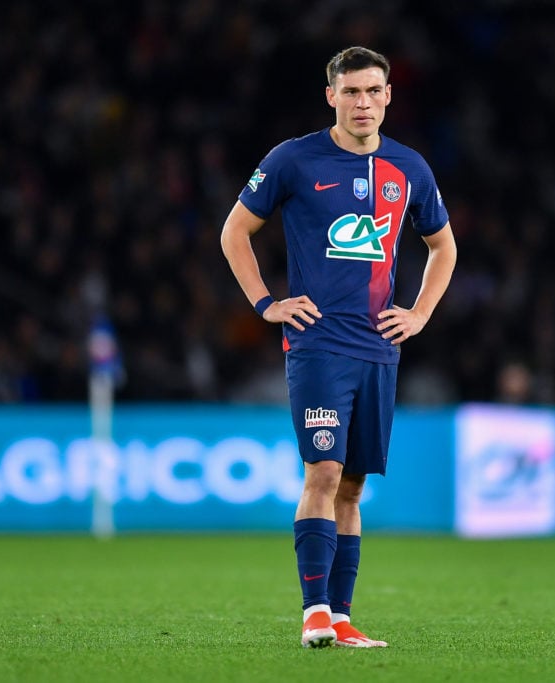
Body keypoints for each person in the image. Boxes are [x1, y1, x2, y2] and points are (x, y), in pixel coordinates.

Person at [220, 46, 457, 649]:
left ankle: (343, 619)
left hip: (379, 349)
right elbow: (235, 232)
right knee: (322, 471)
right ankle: (314, 613)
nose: (363, 102)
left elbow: (443, 246)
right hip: (318, 344)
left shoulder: (409, 168)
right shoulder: (293, 159)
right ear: (331, 96)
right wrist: (267, 304)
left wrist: (421, 312)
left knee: (353, 485)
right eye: (351, 91)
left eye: (374, 91)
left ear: (387, 97)